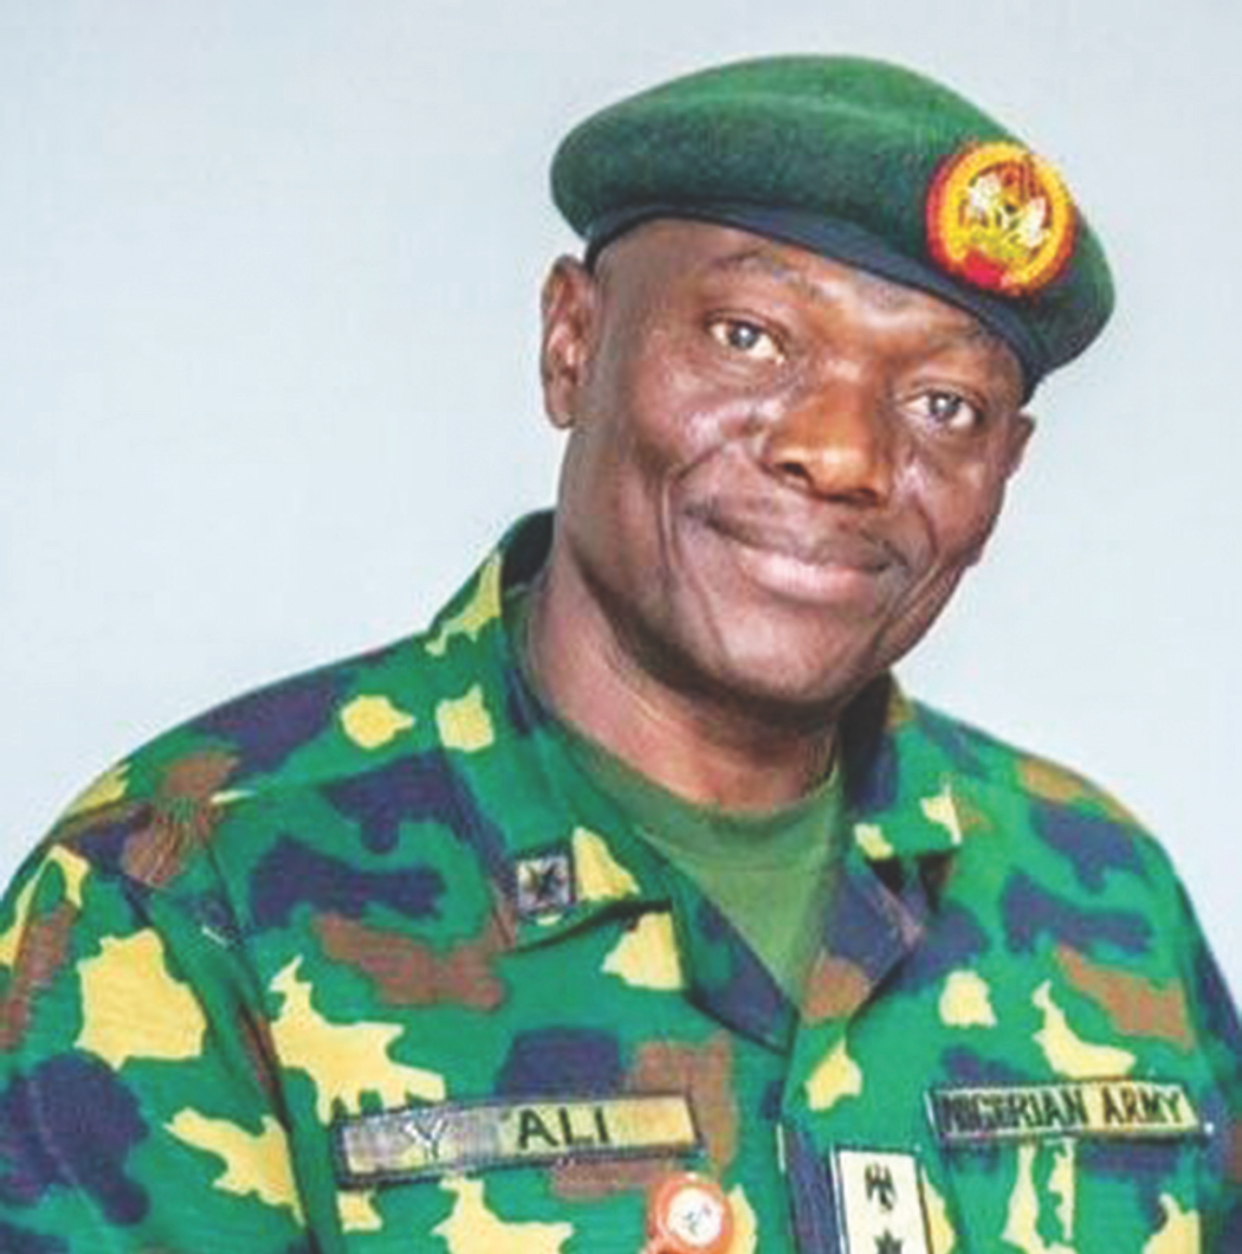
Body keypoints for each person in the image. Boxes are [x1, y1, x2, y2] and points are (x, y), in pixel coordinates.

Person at [0, 54, 1237, 1254]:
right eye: (750, 336)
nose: (844, 455)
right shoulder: (183, 892)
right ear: (572, 342)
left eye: (943, 405)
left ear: (1004, 469)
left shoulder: (1103, 895)